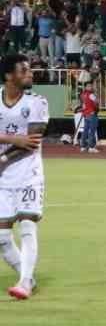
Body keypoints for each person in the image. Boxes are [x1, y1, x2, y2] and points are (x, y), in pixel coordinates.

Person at [0, 54, 47, 299]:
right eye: (24, 70)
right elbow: (20, 139)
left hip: (28, 173)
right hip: (2, 179)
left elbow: (31, 142)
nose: (30, 73)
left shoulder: (37, 102)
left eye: (30, 69)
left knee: (28, 226)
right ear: (9, 76)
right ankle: (27, 275)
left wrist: (3, 158)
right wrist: (11, 138)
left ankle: (25, 282)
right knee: (2, 238)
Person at [77, 81, 100, 153]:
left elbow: (83, 105)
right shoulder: (91, 95)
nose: (91, 87)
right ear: (86, 87)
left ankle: (83, 147)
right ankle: (91, 147)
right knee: (92, 131)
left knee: (85, 131)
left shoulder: (82, 95)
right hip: (92, 114)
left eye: (91, 86)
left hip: (86, 114)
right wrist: (96, 96)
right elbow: (97, 101)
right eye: (89, 86)